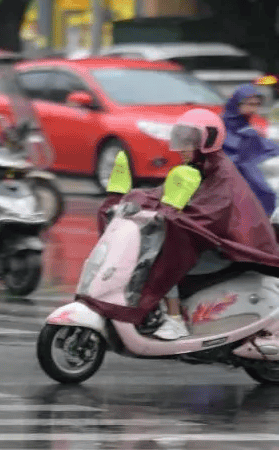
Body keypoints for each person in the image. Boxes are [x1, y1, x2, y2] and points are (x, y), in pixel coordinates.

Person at [86, 108, 279, 340]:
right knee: (150, 247)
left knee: (163, 254)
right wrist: (133, 199)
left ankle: (175, 320)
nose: (182, 148)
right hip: (209, 242)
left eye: (189, 141)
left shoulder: (222, 175)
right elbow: (164, 195)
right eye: (181, 140)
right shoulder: (196, 169)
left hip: (227, 249)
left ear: (207, 140)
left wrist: (171, 217)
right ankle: (154, 311)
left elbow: (209, 215)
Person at [221, 84, 279, 217]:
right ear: (237, 103)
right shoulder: (224, 123)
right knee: (263, 189)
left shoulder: (246, 124)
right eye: (250, 104)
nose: (254, 108)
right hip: (234, 166)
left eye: (256, 104)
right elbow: (231, 146)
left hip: (248, 162)